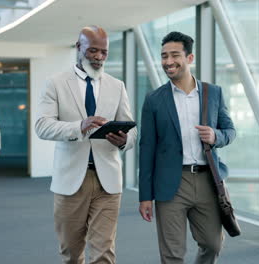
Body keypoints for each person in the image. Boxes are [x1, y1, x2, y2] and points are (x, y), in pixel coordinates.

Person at [35, 25, 137, 264]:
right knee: (71, 253)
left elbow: (132, 133)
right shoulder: (56, 84)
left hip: (108, 182)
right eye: (93, 51)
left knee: (104, 253)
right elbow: (42, 126)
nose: (99, 57)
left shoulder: (117, 86)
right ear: (78, 47)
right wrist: (79, 126)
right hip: (70, 181)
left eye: (104, 52)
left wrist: (125, 141)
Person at [138, 31, 236, 264]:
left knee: (212, 244)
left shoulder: (213, 93)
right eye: (163, 56)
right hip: (170, 184)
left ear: (189, 58)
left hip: (208, 181)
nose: (168, 62)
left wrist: (215, 136)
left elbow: (230, 131)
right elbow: (147, 148)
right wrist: (145, 196)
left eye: (174, 55)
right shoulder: (154, 99)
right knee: (172, 253)